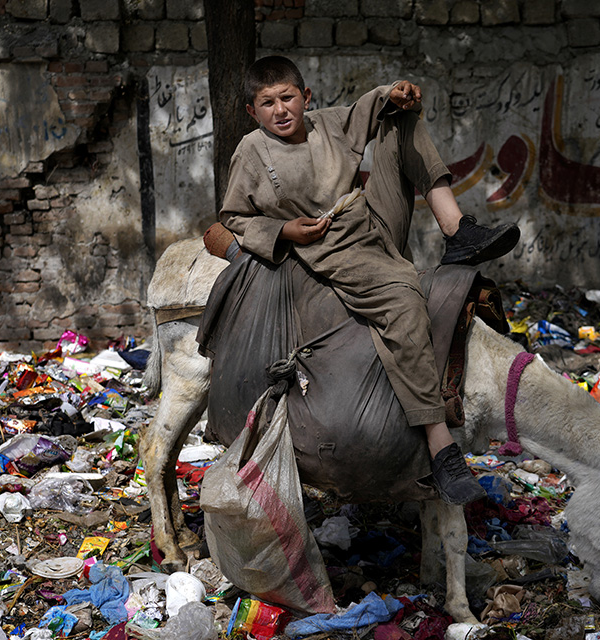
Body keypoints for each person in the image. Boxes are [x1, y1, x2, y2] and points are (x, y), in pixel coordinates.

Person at [218, 55, 519, 505]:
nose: (280, 110)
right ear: (252, 112)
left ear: (306, 97)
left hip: (371, 215)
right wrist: (284, 230)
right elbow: (234, 218)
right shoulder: (252, 151)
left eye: (287, 98)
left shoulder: (327, 124)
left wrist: (395, 92)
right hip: (329, 245)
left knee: (401, 120)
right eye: (267, 103)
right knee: (403, 302)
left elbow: (371, 108)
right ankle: (440, 446)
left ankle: (457, 229)